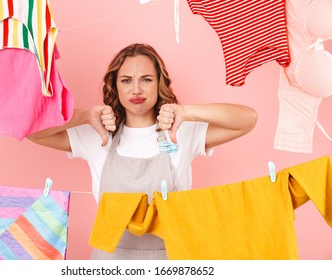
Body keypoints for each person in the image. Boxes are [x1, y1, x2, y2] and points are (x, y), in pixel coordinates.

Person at [27, 43, 258, 260]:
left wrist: (185, 112)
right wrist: (85, 116)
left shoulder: (180, 132)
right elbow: (32, 130)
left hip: (171, 259)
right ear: (115, 85)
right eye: (126, 80)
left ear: (159, 83)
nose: (136, 89)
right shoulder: (98, 134)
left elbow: (247, 119)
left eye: (146, 79)